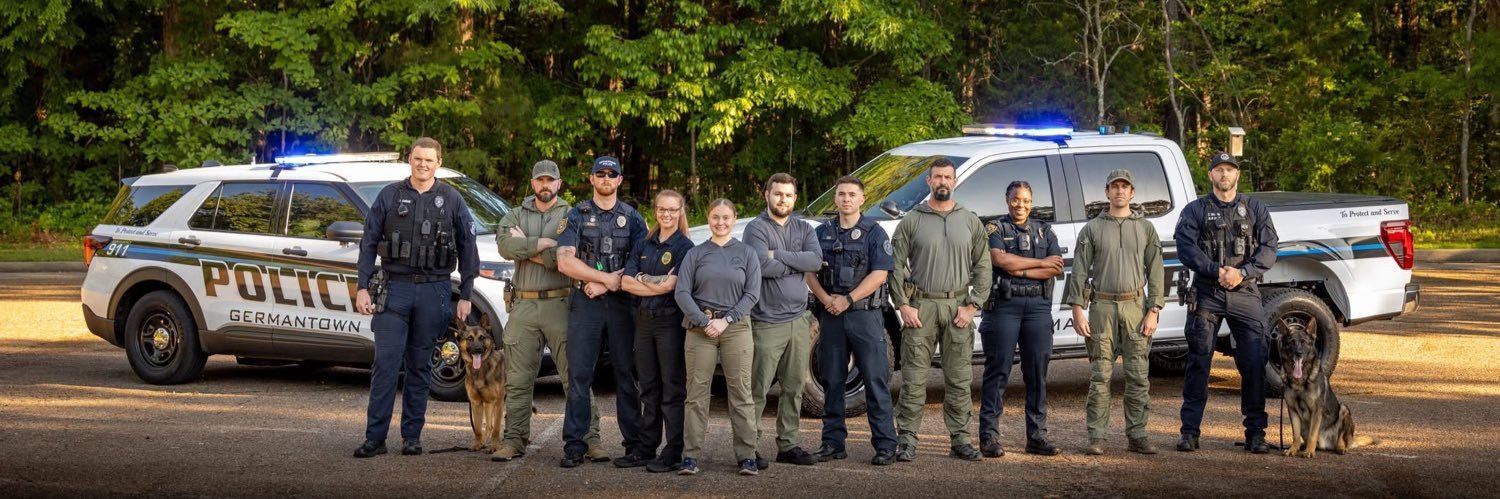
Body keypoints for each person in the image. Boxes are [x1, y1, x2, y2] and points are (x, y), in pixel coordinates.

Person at [352, 137, 479, 458]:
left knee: (421, 367)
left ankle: (412, 437)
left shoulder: (451, 199)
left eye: (429, 160)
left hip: (434, 290)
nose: (423, 164)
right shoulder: (390, 196)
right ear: (410, 159)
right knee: (385, 365)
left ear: (439, 163)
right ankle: (375, 439)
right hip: (394, 289)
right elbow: (368, 242)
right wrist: (362, 286)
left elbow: (468, 247)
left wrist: (465, 294)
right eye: (418, 159)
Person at [491, 160, 606, 463]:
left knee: (575, 377)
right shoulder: (515, 214)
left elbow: (573, 256)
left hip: (562, 303)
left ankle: (590, 439)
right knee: (517, 379)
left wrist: (527, 247)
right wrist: (545, 244)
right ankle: (514, 439)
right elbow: (504, 246)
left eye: (550, 181)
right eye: (540, 180)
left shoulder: (573, 214)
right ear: (532, 183)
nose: (545, 185)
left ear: (559, 183)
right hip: (523, 304)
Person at [1174, 151, 1278, 454]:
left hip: (1244, 291)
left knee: (1254, 362)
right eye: (1218, 170)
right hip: (1208, 291)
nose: (1224, 175)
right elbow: (1185, 247)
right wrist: (1216, 270)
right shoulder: (1195, 210)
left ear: (1237, 175)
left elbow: (1270, 248)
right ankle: (1189, 432)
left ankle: (1255, 434)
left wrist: (1242, 272)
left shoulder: (1255, 208)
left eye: (1229, 170)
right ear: (1210, 175)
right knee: (1198, 361)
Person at [887, 157, 991, 462]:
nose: (942, 181)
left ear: (955, 182)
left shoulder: (970, 220)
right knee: (914, 379)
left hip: (958, 307)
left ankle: (960, 439)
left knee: (959, 379)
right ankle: (906, 439)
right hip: (921, 307)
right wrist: (903, 305)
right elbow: (894, 266)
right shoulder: (912, 220)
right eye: (937, 177)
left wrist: (973, 305)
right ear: (929, 182)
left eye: (948, 177)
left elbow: (984, 266)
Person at [1061, 169, 1165, 456]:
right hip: (1102, 308)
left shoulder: (1145, 228)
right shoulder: (1092, 228)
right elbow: (1079, 272)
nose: (1120, 191)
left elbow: (1156, 272)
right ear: (1107, 192)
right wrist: (1078, 310)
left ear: (1132, 193)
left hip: (1135, 307)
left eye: (1125, 187)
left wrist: (1153, 309)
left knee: (1138, 376)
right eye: (1114, 187)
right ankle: (1097, 436)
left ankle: (1138, 435)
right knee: (1100, 375)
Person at [555, 156, 650, 468]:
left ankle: (635, 445)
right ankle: (574, 445)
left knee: (626, 374)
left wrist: (608, 285)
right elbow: (565, 261)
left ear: (620, 180)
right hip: (586, 303)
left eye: (612, 174)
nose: (606, 179)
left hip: (622, 304)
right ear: (592, 178)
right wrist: (602, 279)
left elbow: (641, 264)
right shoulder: (577, 215)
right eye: (601, 174)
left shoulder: (634, 219)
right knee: (580, 375)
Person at [804, 176, 898, 466]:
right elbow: (808, 271)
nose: (846, 199)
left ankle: (885, 445)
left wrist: (848, 299)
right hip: (830, 315)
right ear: (836, 198)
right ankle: (832, 443)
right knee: (832, 381)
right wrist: (825, 298)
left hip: (864, 315)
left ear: (861, 199)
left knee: (875, 379)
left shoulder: (874, 232)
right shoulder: (820, 233)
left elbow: (880, 274)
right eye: (841, 194)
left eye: (852, 194)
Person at [673, 199, 762, 476]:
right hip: (700, 329)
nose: (720, 222)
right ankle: (690, 456)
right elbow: (682, 293)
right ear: (709, 218)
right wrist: (704, 321)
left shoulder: (747, 253)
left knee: (741, 392)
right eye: (715, 217)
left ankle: (747, 455)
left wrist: (726, 320)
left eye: (725, 217)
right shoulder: (696, 254)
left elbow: (752, 294)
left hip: (735, 327)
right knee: (696, 395)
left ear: (734, 219)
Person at [977, 180, 1064, 458]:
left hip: (1038, 307)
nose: (1021, 205)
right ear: (1007, 199)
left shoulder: (1044, 230)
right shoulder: (995, 228)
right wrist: (1038, 264)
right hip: (1004, 306)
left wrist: (1023, 269)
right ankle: (989, 438)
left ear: (1032, 201)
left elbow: (1056, 266)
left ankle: (1037, 437)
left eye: (1026, 200)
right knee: (998, 372)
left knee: (1037, 374)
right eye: (1016, 199)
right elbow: (1000, 261)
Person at [743, 173, 822, 468]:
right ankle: (748, 448)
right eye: (777, 194)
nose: (782, 200)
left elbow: (815, 261)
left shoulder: (803, 227)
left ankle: (787, 445)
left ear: (795, 199)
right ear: (766, 195)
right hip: (766, 322)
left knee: (794, 388)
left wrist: (780, 255)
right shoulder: (755, 229)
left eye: (788, 195)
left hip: (799, 321)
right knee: (757, 388)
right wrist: (794, 261)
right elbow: (760, 264)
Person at [621, 189, 696, 473]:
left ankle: (673, 451)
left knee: (672, 389)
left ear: (680, 211)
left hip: (669, 324)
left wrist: (642, 279)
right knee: (648, 387)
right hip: (643, 322)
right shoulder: (644, 242)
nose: (667, 215)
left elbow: (670, 286)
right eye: (662, 210)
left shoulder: (684, 247)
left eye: (672, 210)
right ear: (655, 211)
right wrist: (651, 281)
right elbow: (626, 283)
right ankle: (645, 448)